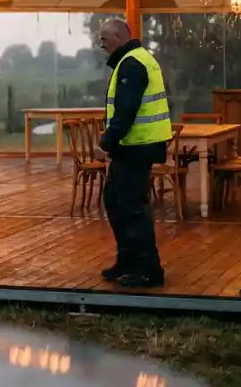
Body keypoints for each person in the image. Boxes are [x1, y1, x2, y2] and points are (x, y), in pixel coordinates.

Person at [96, 18, 173, 288]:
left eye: (104, 40)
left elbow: (125, 112)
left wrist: (105, 143)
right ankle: (127, 261)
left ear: (118, 37)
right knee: (115, 201)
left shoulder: (132, 64)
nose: (101, 45)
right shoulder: (134, 60)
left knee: (130, 208)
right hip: (134, 146)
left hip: (137, 147)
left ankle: (148, 270)